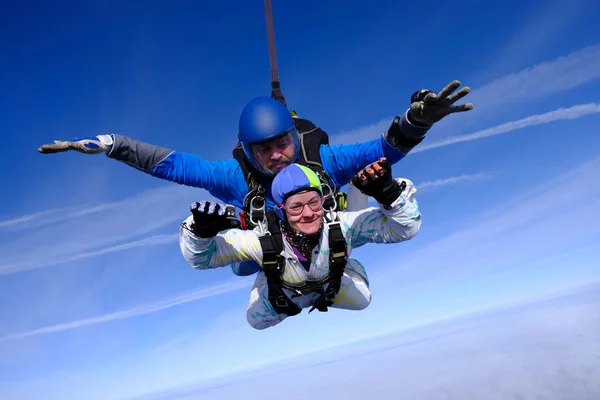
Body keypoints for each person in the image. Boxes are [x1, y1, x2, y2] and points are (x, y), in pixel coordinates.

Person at [38, 80, 470, 276]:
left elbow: (384, 151)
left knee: (363, 178)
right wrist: (113, 143)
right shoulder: (234, 175)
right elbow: (170, 163)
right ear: (246, 150)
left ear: (291, 136)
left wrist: (416, 122)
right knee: (246, 266)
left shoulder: (324, 159)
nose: (275, 155)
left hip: (326, 220)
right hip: (275, 235)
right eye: (261, 149)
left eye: (280, 142)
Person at [179, 158, 421, 329]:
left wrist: (389, 193)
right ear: (282, 211)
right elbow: (202, 259)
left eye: (313, 203)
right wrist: (200, 232)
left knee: (363, 300)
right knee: (255, 321)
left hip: (328, 286)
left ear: (323, 200)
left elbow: (404, 229)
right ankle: (266, 275)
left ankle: (342, 266)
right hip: (284, 294)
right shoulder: (261, 241)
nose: (308, 213)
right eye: (296, 206)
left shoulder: (340, 226)